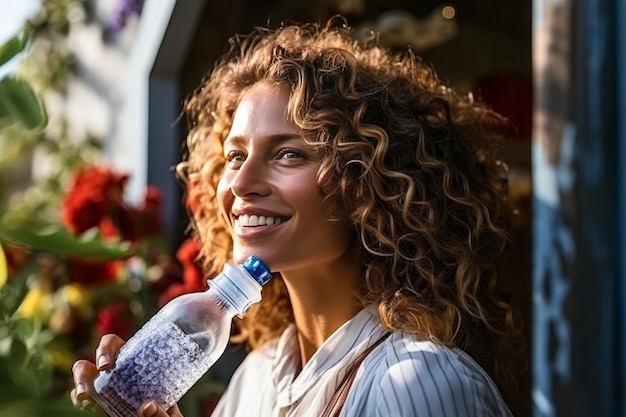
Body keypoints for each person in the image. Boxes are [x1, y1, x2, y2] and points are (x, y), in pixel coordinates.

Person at [71, 16, 524, 417]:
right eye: (235, 155)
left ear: (367, 180)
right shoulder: (258, 378)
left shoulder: (417, 384)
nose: (242, 182)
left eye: (289, 153)